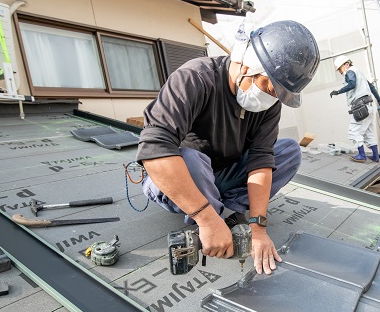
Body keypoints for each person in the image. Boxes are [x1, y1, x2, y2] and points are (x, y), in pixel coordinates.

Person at [136, 20, 320, 275]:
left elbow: (260, 161)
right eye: (269, 86)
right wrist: (207, 219)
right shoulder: (196, 78)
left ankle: (230, 210)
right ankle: (213, 215)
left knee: (288, 151)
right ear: (248, 64)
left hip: (221, 174)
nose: (272, 96)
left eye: (279, 93)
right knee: (190, 158)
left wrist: (258, 229)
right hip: (181, 178)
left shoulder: (269, 104)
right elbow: (154, 150)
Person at [329, 55, 380, 163]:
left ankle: (361, 155)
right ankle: (375, 156)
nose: (340, 72)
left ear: (346, 64)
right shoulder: (360, 74)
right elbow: (371, 87)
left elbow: (352, 84)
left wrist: (338, 91)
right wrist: (379, 100)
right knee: (369, 132)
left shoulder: (350, 71)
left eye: (340, 68)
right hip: (369, 106)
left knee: (353, 132)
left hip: (361, 106)